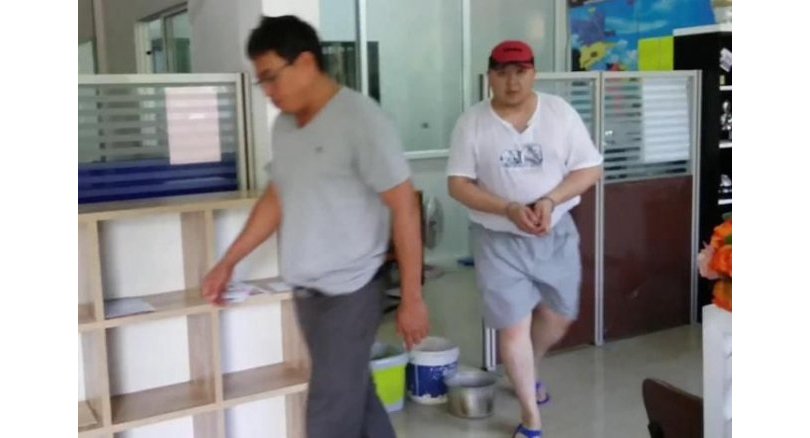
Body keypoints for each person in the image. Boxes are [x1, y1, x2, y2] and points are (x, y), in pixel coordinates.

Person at [201, 15, 429, 438]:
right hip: (308, 294)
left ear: (305, 62)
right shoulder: (285, 127)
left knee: (328, 413)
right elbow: (277, 198)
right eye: (261, 81)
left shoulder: (360, 119)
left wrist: (412, 297)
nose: (268, 91)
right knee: (355, 395)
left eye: (271, 77)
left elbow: (404, 207)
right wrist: (228, 261)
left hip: (352, 290)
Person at [446, 40, 603, 438]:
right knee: (512, 327)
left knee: (560, 315)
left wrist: (550, 200)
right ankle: (531, 418)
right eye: (502, 72)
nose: (512, 81)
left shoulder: (559, 113)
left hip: (556, 233)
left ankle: (526, 367)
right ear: (489, 77)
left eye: (520, 72)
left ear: (533, 73)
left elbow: (589, 168)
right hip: (497, 239)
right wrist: (508, 208)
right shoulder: (472, 123)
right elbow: (458, 184)